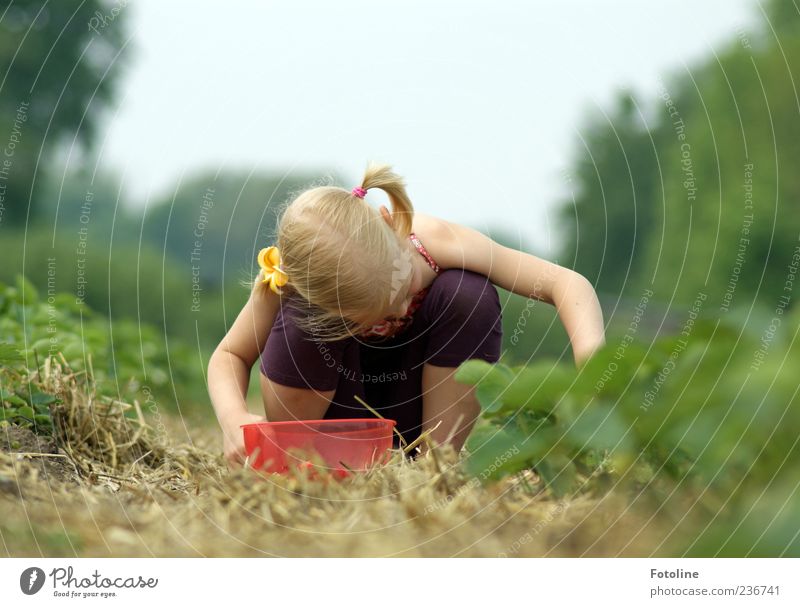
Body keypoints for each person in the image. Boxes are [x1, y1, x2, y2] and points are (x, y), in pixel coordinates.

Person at [207, 162, 606, 467]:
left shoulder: (436, 240)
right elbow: (230, 356)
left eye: (401, 287)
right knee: (301, 320)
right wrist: (234, 420)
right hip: (335, 418)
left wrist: (595, 377)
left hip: (416, 410)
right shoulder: (295, 278)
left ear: (390, 224)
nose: (400, 308)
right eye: (375, 310)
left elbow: (567, 285)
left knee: (468, 293)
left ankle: (435, 467)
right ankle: (304, 464)